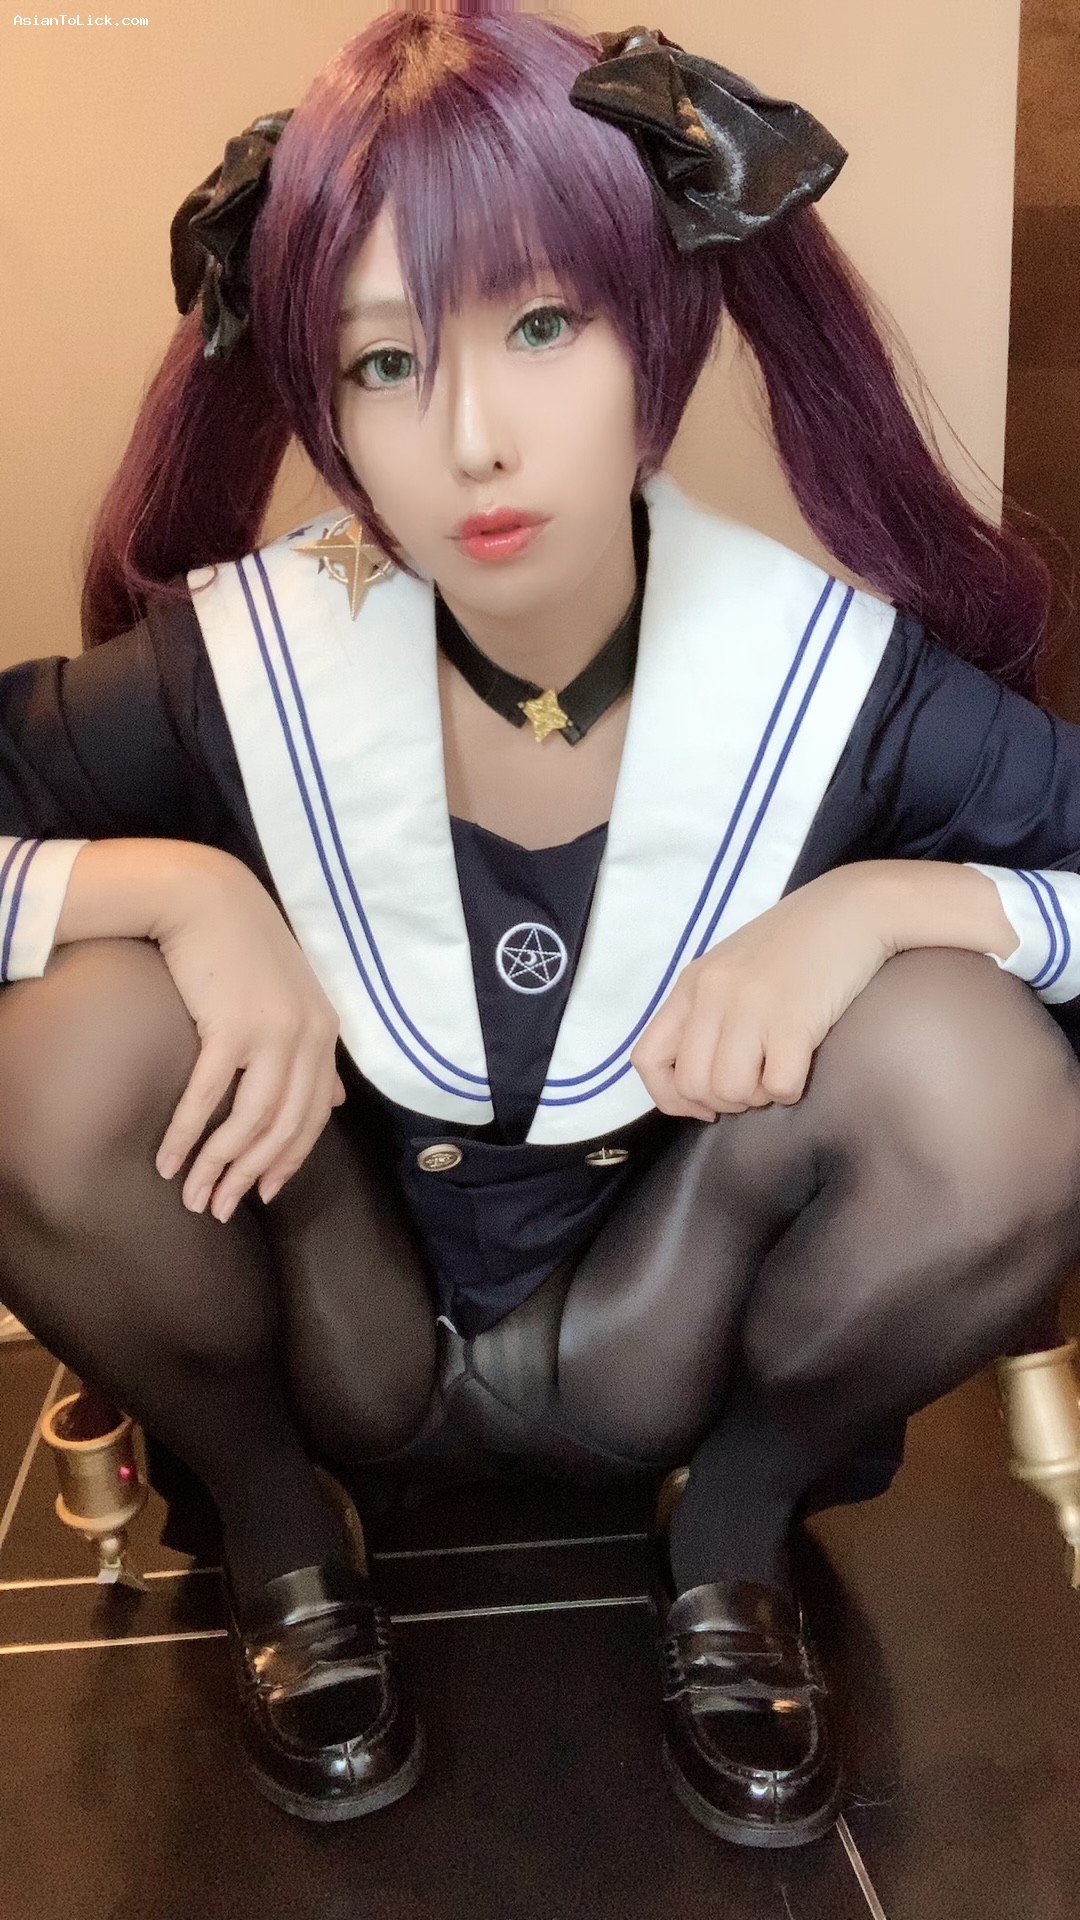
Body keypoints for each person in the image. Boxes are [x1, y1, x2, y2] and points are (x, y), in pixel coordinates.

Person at [1, 4, 1079, 1847]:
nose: (472, 440)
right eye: (385, 361)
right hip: (335, 1331)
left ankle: (733, 1530)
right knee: (62, 1040)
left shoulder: (829, 673)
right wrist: (185, 896)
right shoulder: (243, 656)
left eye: (543, 325)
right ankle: (281, 1533)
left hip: (662, 1343)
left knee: (983, 1070)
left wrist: (876, 909)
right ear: (321, 400)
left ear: (656, 322)